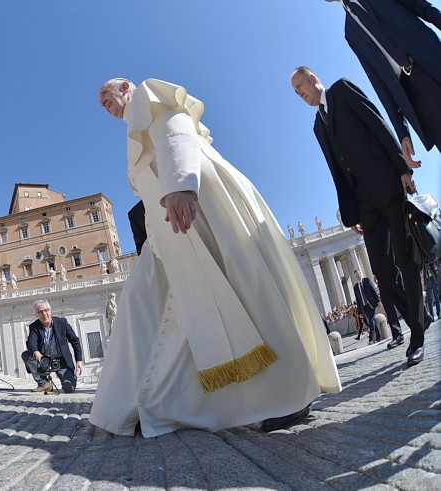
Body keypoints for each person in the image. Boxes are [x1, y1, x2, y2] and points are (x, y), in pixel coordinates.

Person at [91, 78, 341, 438]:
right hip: (169, 230)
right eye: (99, 102)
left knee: (244, 281)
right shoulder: (132, 123)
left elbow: (175, 129)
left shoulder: (148, 93)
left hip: (198, 197)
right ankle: (151, 402)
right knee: (140, 300)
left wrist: (180, 185)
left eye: (105, 94)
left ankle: (289, 392)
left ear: (125, 87)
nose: (103, 103)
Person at [291, 67, 429, 367]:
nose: (300, 93)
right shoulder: (318, 125)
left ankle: (416, 335)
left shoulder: (342, 89)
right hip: (364, 203)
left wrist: (402, 169)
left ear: (314, 79)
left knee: (405, 258)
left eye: (300, 85)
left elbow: (378, 123)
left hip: (387, 184)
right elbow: (336, 171)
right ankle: (420, 316)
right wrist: (350, 213)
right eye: (295, 92)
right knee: (380, 267)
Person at [325, 0, 441, 167]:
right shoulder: (350, 33)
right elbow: (379, 83)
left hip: (432, 60)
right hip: (415, 95)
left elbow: (420, 6)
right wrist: (402, 132)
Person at [22, 300, 83, 394]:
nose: (44, 314)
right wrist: (37, 352)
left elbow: (75, 340)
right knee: (26, 355)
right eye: (40, 312)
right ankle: (44, 384)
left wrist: (79, 360)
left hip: (62, 360)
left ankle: (70, 376)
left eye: (46, 310)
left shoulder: (62, 322)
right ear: (36, 315)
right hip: (44, 359)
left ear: (50, 311)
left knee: (69, 389)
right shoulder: (34, 327)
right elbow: (31, 342)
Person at [353, 271, 381, 343]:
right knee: (372, 321)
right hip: (364, 307)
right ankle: (378, 337)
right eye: (356, 275)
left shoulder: (367, 280)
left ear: (361, 274)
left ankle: (371, 339)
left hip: (371, 304)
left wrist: (378, 301)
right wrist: (360, 312)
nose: (358, 276)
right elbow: (358, 301)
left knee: (371, 320)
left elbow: (373, 291)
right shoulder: (356, 287)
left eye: (359, 274)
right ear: (355, 277)